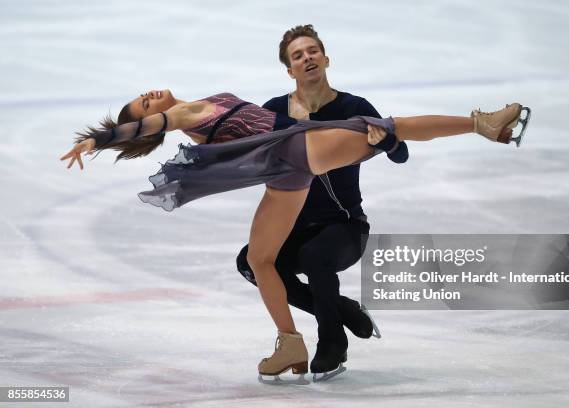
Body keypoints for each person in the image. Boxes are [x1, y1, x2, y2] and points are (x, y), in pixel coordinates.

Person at [60, 88, 530, 384]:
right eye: (144, 101)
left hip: (286, 171)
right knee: (389, 128)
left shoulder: (193, 109)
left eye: (145, 98)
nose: (150, 95)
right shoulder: (181, 114)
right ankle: (481, 124)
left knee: (262, 259)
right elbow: (152, 126)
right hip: (293, 150)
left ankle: (290, 342)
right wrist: (100, 139)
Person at [234, 25, 400, 382]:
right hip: (294, 227)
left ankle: (332, 341)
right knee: (251, 262)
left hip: (345, 228)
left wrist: (386, 142)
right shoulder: (275, 111)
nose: (307, 57)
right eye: (298, 55)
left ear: (325, 59)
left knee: (314, 257)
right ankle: (343, 311)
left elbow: (401, 153)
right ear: (290, 70)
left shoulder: (353, 108)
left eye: (312, 51)